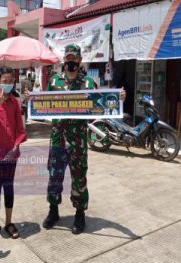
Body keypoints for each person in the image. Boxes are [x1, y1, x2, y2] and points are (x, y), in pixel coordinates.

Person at [25, 44, 126, 234]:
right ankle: (53, 211)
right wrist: (31, 99)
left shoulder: (88, 83)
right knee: (54, 175)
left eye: (74, 58)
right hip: (57, 138)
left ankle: (80, 214)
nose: (70, 61)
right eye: (67, 57)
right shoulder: (54, 81)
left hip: (78, 139)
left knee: (79, 176)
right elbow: (42, 103)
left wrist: (118, 98)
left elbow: (103, 102)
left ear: (79, 60)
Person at [0, 66, 27, 240]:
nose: (7, 84)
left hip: (11, 154)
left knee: (8, 187)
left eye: (10, 81)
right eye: (4, 81)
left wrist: (16, 145)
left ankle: (8, 222)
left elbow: (20, 130)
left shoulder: (15, 103)